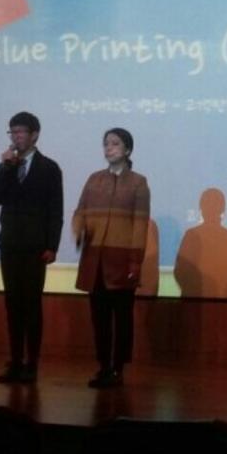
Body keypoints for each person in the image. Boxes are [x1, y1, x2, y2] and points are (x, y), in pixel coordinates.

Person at [0, 111, 63, 384]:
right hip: (9, 244)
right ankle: (15, 360)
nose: (16, 137)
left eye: (21, 132)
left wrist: (52, 245)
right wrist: (6, 168)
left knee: (31, 305)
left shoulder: (49, 168)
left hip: (35, 247)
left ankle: (32, 363)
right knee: (12, 304)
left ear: (34, 135)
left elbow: (55, 210)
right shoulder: (6, 165)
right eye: (13, 132)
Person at [73, 127, 150, 388]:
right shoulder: (94, 179)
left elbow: (140, 224)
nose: (109, 148)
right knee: (100, 319)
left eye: (115, 143)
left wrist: (135, 261)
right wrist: (78, 228)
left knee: (123, 318)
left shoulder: (138, 182)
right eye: (106, 143)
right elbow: (80, 211)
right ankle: (103, 365)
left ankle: (118, 368)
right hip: (95, 259)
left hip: (122, 260)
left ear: (127, 149)